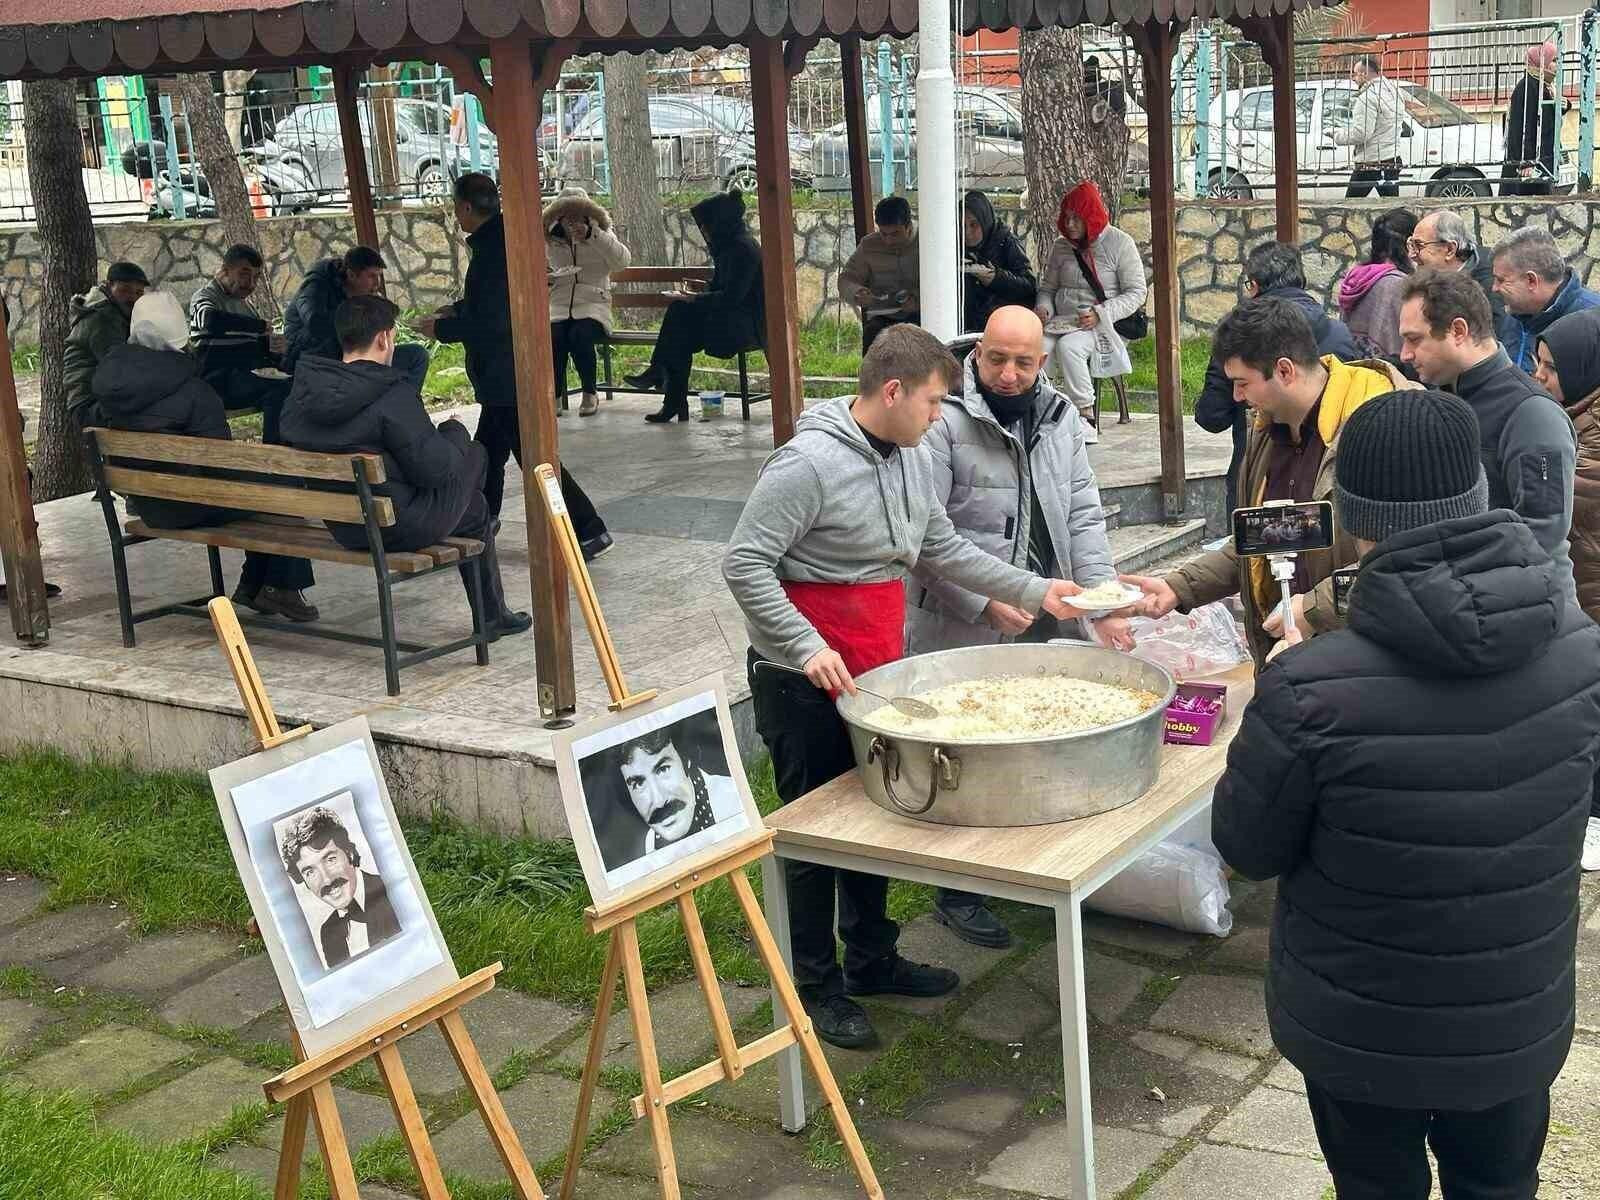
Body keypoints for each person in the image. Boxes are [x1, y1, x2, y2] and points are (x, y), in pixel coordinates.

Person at [1211, 387, 1600, 1200]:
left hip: (1361, 1029)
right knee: (1499, 1186)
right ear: (1477, 492)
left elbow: (1247, 848)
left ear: (1353, 514)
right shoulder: (1581, 650)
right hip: (1515, 1017)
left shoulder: (1310, 688)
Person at [724, 324, 1087, 1049]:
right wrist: (803, 645)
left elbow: (942, 547)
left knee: (878, 814)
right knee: (813, 836)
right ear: (891, 391)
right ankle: (814, 985)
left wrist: (1041, 590)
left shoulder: (912, 456)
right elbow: (744, 564)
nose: (937, 417)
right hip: (801, 680)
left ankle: (871, 959)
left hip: (878, 664)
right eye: (930, 402)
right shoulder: (806, 466)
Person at [906, 305, 1126, 949]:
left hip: (1047, 603)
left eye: (1023, 362)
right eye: (995, 359)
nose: (1007, 373)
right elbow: (921, 536)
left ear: (1045, 361)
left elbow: (1083, 515)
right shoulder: (941, 416)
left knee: (1030, 741)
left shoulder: (1060, 417)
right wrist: (981, 604)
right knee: (965, 753)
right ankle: (958, 887)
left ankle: (1024, 870)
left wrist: (1102, 603)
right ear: (978, 353)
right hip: (961, 616)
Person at [1126, 298, 1391, 668]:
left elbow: (1403, 567)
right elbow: (1264, 538)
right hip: (1290, 663)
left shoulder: (1382, 427)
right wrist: (1180, 587)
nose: (1236, 397)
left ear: (1284, 371)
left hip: (1364, 667)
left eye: (1242, 383)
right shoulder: (1267, 432)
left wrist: (1312, 611)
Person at [282, 294, 531, 640]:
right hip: (397, 527)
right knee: (476, 454)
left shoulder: (303, 394)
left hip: (345, 524)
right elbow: (435, 471)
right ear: (384, 338)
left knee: (473, 509)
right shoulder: (391, 394)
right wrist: (454, 431)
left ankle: (492, 607)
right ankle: (491, 616)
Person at [416, 174, 612, 561]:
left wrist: (443, 327)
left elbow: (494, 321)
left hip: (506, 370)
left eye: (457, 207)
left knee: (536, 458)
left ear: (467, 207)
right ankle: (481, 521)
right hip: (502, 373)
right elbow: (493, 306)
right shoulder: (503, 242)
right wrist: (457, 310)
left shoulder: (493, 251)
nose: (457, 215)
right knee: (488, 450)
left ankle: (588, 527)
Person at [91, 291, 319, 622]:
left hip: (146, 503)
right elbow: (222, 464)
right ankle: (276, 586)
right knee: (284, 489)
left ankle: (257, 586)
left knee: (262, 491)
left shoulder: (106, 388)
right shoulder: (195, 392)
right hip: (189, 505)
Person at [1397, 269, 1579, 608]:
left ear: (1458, 331)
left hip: (1531, 618)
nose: (1404, 354)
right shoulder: (1442, 398)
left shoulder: (1532, 414)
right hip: (1462, 608)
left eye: (1414, 339)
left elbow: (1540, 535)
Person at [1195, 243, 1359, 515]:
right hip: (1325, 470)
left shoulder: (1242, 340)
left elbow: (1211, 416)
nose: (1238, 395)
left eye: (1243, 383)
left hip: (1276, 470)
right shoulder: (1339, 332)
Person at [1531, 309, 1600, 872]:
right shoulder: (1571, 416)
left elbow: (1582, 497)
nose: (1540, 379)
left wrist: (1527, 463)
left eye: (1551, 369)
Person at [622, 190, 765, 425]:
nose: (703, 231)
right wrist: (703, 289)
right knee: (679, 332)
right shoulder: (730, 245)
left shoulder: (741, 250)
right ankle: (670, 397)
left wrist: (695, 300)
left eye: (705, 224)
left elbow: (733, 297)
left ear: (719, 223)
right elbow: (724, 288)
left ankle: (665, 388)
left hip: (743, 326)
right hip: (729, 318)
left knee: (679, 318)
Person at [1033, 181, 1147, 445]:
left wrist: (1101, 313)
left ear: (1091, 216)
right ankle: (1044, 409)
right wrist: (1044, 308)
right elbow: (1048, 288)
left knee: (1070, 348)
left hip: (1103, 326)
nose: (1070, 224)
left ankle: (1086, 417)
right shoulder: (1061, 247)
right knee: (1037, 347)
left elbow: (1136, 292)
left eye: (1077, 218)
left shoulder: (1120, 243)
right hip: (1062, 322)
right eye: (1067, 218)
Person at [283, 246, 429, 389]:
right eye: (372, 276)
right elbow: (315, 323)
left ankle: (404, 406)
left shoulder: (361, 292)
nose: (377, 283)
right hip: (315, 360)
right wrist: (357, 311)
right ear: (352, 275)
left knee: (417, 355)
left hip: (354, 358)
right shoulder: (317, 284)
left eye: (379, 276)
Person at [544, 186, 632, 418]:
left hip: (594, 304)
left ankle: (589, 393)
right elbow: (537, 268)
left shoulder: (600, 235)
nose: (571, 223)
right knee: (555, 335)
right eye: (566, 217)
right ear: (557, 218)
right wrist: (546, 277)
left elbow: (622, 261)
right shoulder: (550, 239)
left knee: (579, 334)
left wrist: (593, 236)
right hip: (559, 305)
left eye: (577, 216)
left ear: (586, 215)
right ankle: (555, 396)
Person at [279, 805, 402, 969]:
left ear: (349, 853)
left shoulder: (393, 891)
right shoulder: (328, 933)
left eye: (330, 859)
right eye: (310, 872)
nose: (327, 880)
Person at [601, 726, 742, 865]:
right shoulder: (652, 841)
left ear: (686, 761)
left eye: (663, 770)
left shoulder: (733, 800)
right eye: (638, 784)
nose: (659, 801)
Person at [188, 243, 290, 419]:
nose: (251, 284)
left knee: (297, 383)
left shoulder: (246, 306)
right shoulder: (206, 296)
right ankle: (275, 446)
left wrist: (276, 349)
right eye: (244, 274)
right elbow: (209, 320)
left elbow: (254, 348)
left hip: (246, 377)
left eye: (256, 277)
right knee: (280, 390)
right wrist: (260, 325)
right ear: (225, 270)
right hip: (217, 381)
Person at [1491, 226, 1600, 373]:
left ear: (1531, 281)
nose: (1494, 288)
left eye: (1501, 280)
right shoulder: (1516, 313)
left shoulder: (1593, 324)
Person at [63, 261, 148, 430]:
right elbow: (121, 367)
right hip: (89, 405)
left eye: (138, 293)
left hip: (105, 398)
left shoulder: (121, 314)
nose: (133, 298)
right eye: (125, 290)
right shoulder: (101, 319)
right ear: (109, 286)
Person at [839, 196, 920, 353]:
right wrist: (857, 293)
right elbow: (846, 279)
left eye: (895, 234)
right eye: (883, 234)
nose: (888, 241)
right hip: (883, 319)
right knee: (873, 340)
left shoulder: (926, 241)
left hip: (920, 315)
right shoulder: (869, 245)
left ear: (908, 226)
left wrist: (917, 301)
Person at [1336, 208, 1416, 359]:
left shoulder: (1355, 276)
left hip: (1353, 366)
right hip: (1390, 371)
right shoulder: (1398, 285)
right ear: (1408, 244)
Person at [1408, 209, 1505, 326]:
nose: (1412, 255)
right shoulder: (1433, 278)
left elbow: (1505, 338)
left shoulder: (1492, 283)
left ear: (1449, 250)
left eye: (1419, 245)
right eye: (1411, 245)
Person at [1330, 54, 1405, 199]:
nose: (1354, 79)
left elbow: (1361, 133)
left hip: (1371, 162)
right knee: (1393, 206)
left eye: (1355, 74)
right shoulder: (1394, 90)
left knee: (1350, 205)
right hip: (1392, 157)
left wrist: (1337, 135)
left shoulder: (1366, 97)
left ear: (1364, 74)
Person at [961, 190, 1036, 335]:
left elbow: (1029, 287)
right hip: (967, 327)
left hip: (1003, 327)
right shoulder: (956, 245)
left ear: (985, 221)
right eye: (962, 226)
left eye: (974, 225)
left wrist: (996, 278)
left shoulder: (1005, 241)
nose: (967, 233)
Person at [1503, 41, 1563, 197]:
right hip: (1529, 167)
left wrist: (1562, 106)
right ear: (1542, 62)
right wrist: (1525, 162)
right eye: (1554, 60)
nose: (1557, 65)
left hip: (1541, 161)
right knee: (1527, 213)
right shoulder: (1528, 87)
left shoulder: (1543, 86)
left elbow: (1545, 119)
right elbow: (1521, 127)